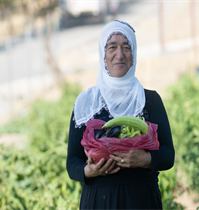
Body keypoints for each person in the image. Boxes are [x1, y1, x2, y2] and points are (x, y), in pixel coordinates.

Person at [66, 20, 175, 210]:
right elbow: (72, 161)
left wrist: (146, 160)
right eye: (112, 47)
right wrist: (88, 171)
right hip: (98, 202)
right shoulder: (86, 103)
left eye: (126, 47)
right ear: (103, 54)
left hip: (141, 201)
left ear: (134, 54)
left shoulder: (150, 100)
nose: (119, 55)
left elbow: (168, 154)